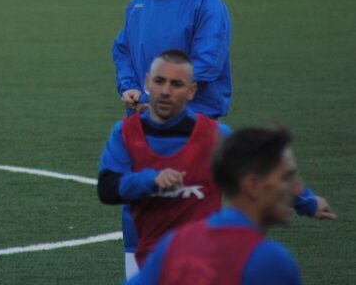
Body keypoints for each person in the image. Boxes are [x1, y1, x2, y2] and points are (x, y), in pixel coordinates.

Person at [97, 51, 328, 273]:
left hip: (202, 257)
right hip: (141, 252)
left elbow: (265, 169)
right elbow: (107, 188)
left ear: (191, 91)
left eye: (176, 84)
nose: (166, 91)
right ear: (147, 83)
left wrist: (307, 202)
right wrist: (151, 180)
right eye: (159, 81)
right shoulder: (125, 133)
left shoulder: (213, 135)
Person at [111, 0, 231, 276]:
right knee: (138, 212)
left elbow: (206, 63)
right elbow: (121, 50)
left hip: (193, 125)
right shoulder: (137, 4)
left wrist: (153, 97)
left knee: (187, 211)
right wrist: (130, 86)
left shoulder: (206, 2)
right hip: (145, 126)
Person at [128, 126, 336, 284]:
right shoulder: (269, 260)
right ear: (252, 185)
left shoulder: (174, 243)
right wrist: (306, 203)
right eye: (287, 177)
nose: (297, 186)